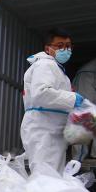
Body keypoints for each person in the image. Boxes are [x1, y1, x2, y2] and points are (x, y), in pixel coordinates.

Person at [21, 28, 82, 174]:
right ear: (48, 48)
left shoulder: (56, 69)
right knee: (44, 178)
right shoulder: (45, 65)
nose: (65, 49)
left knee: (51, 177)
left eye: (68, 46)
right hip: (44, 130)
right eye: (59, 45)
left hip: (50, 130)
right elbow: (42, 93)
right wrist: (73, 98)